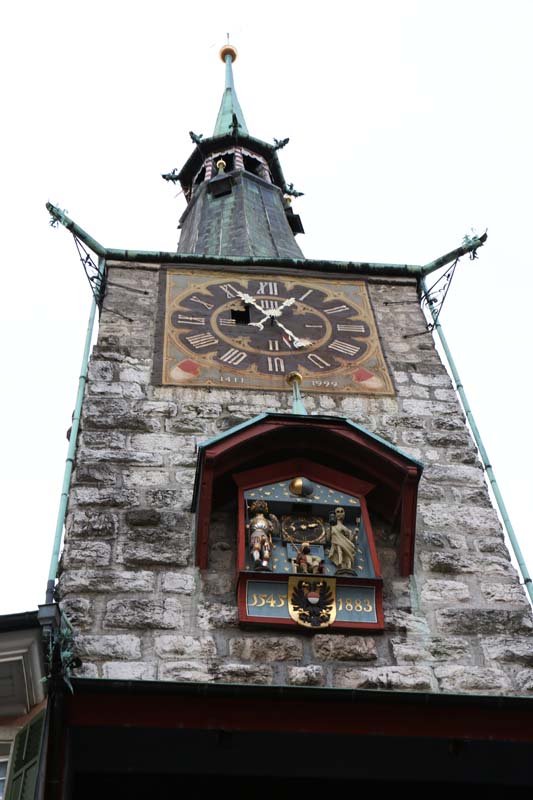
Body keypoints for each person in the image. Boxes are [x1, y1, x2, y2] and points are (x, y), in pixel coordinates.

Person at [247, 499, 276, 570]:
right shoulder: (252, 520)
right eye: (259, 505)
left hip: (264, 535)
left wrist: (275, 521)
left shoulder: (268, 521)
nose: (261, 507)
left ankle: (264, 565)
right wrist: (247, 527)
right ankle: (257, 560)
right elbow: (247, 531)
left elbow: (274, 531)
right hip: (256, 533)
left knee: (266, 551)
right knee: (256, 546)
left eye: (262, 506)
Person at [327, 507, 356, 572]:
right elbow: (328, 539)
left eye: (341, 511)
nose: (340, 513)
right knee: (339, 550)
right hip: (337, 544)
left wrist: (355, 534)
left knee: (347, 556)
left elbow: (351, 540)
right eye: (337, 511)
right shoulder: (332, 527)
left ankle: (348, 567)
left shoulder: (347, 529)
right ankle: (340, 563)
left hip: (347, 544)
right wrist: (329, 530)